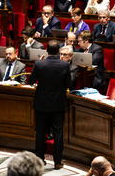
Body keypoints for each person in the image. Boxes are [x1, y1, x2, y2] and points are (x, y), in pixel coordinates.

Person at [28, 40, 69, 170]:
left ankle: (40, 160)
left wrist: (39, 63)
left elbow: (31, 81)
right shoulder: (64, 65)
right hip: (58, 103)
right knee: (58, 133)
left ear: (46, 50)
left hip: (41, 103)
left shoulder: (39, 64)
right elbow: (68, 84)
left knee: (40, 132)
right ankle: (57, 162)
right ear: (58, 51)